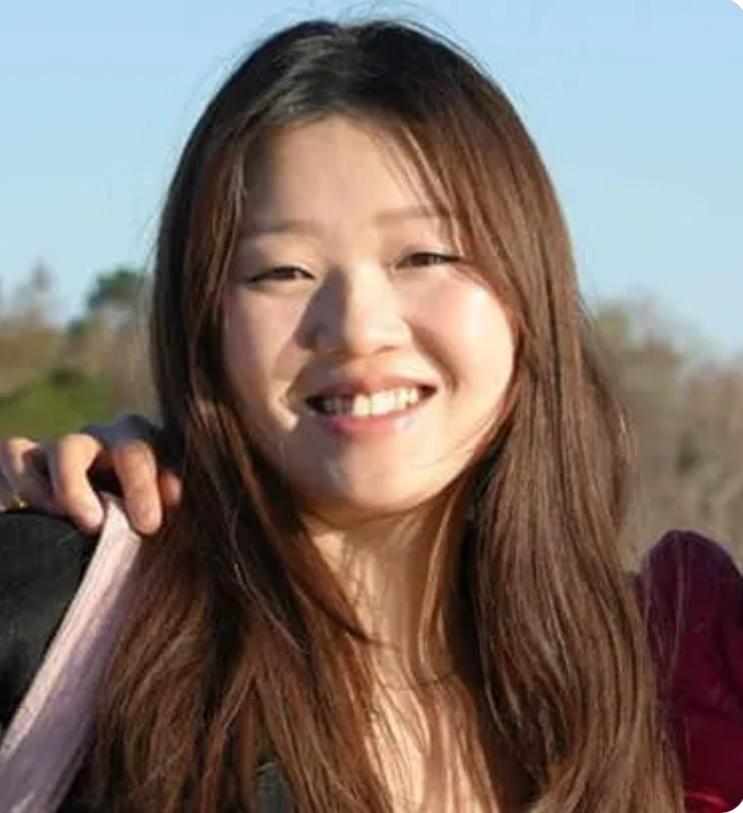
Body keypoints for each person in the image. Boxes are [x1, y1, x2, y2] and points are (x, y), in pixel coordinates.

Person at [1, 17, 742, 813]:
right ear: (203, 321)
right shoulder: (54, 623)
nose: (357, 327)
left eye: (424, 256)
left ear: (528, 292)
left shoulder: (670, 684)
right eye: (282, 271)